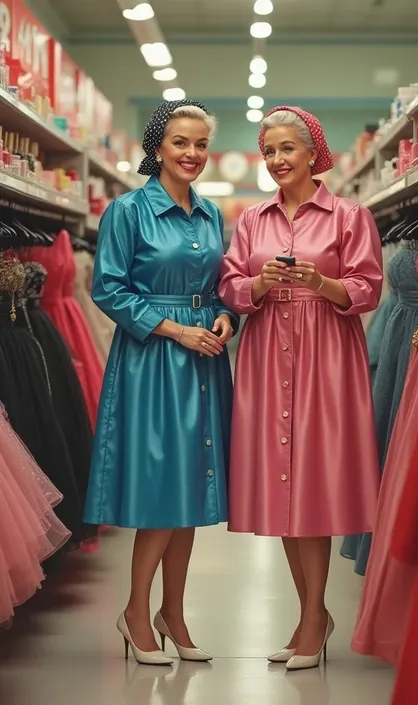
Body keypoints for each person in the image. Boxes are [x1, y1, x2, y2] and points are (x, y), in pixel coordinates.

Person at [219, 106, 383, 671]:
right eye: (269, 151)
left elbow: (368, 290)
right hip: (268, 352)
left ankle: (312, 619)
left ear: (313, 152)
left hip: (326, 355)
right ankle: (311, 615)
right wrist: (255, 285)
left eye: (287, 149)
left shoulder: (349, 215)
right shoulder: (251, 220)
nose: (277, 160)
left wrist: (324, 282)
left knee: (312, 484)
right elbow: (230, 284)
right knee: (285, 491)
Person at [83, 99, 238, 666]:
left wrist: (226, 317)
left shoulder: (211, 214)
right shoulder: (128, 211)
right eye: (181, 143)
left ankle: (172, 613)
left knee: (191, 492)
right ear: (157, 148)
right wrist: (175, 329)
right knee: (160, 491)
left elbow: (222, 286)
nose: (193, 154)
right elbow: (109, 289)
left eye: (201, 144)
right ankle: (134, 610)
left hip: (205, 356)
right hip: (154, 361)